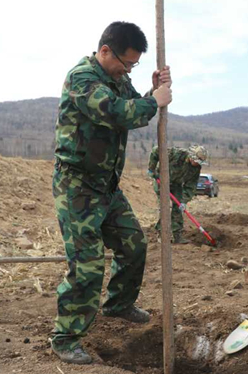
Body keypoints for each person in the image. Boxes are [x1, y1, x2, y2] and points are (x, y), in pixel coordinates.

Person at [51, 21, 172, 364]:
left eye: (133, 65)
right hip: (77, 185)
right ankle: (65, 337)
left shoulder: (117, 78)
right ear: (105, 51)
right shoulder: (83, 78)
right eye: (126, 63)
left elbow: (137, 107)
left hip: (106, 185)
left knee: (134, 244)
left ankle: (118, 304)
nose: (127, 69)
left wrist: (152, 93)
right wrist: (155, 103)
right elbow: (117, 113)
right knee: (87, 264)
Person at [148, 145, 209, 244]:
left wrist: (184, 201)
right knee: (165, 207)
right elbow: (156, 150)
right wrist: (151, 168)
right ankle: (162, 234)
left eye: (199, 163)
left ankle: (177, 236)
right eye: (196, 161)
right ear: (192, 156)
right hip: (162, 181)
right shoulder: (177, 153)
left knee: (178, 208)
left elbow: (191, 186)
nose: (197, 164)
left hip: (176, 184)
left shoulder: (196, 168)